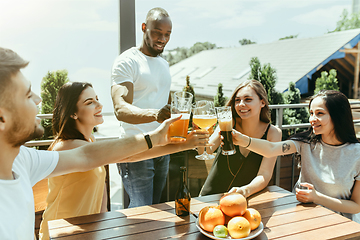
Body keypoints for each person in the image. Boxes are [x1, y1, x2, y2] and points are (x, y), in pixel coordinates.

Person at [0, 47, 209, 240]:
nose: (37, 99)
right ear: (73, 112)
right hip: (62, 233)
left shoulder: (28, 158)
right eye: (28, 94)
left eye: (97, 99)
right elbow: (125, 155)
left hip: (86, 230)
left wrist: (184, 144)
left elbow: (112, 163)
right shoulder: (65, 146)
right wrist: (163, 139)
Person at [231, 90, 360, 222]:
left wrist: (317, 197)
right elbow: (271, 149)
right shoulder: (305, 143)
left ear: (338, 115)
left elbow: (356, 206)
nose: (312, 119)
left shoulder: (357, 154)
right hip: (302, 215)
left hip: (339, 222)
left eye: (320, 113)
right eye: (311, 113)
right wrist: (242, 140)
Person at [111, 7, 173, 207]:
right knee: (141, 211)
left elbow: (167, 104)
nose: (162, 38)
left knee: (155, 210)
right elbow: (120, 109)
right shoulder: (127, 61)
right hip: (136, 148)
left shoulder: (164, 64)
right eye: (157, 32)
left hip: (162, 146)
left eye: (167, 34)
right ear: (144, 27)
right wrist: (156, 115)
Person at [199, 80, 282, 197]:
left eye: (248, 99)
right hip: (211, 196)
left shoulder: (273, 133)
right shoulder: (228, 122)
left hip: (245, 199)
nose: (241, 104)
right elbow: (205, 151)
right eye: (237, 100)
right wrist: (200, 134)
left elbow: (265, 174)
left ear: (262, 102)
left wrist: (245, 191)